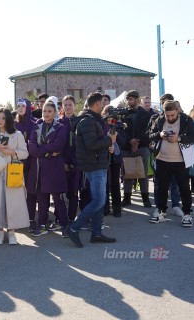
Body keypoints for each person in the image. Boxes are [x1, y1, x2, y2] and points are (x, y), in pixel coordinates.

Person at [67, 92, 117, 248]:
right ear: (96, 104)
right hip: (94, 166)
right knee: (98, 201)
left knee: (99, 201)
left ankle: (96, 233)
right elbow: (91, 145)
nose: (103, 106)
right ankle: (74, 228)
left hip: (97, 164)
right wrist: (109, 140)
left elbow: (95, 143)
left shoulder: (90, 120)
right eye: (102, 103)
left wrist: (107, 144)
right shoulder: (88, 121)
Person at [148, 101, 194, 227]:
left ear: (178, 111)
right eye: (167, 115)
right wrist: (159, 135)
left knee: (184, 189)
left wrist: (179, 138)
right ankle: (161, 212)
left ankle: (187, 214)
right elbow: (150, 135)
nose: (170, 118)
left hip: (181, 162)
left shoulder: (186, 120)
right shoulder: (159, 120)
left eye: (173, 115)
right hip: (162, 160)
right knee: (161, 188)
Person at [0, 108, 29, 245]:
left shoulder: (17, 134)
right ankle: (0, 232)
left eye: (3, 118)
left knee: (12, 202)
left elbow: (25, 153)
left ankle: (12, 231)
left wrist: (12, 152)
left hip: (12, 171)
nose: (0, 120)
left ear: (8, 119)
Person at [27, 100, 68, 236]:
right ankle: (42, 225)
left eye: (50, 111)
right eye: (44, 111)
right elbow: (31, 147)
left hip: (54, 168)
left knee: (58, 198)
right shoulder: (37, 126)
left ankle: (64, 226)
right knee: (42, 198)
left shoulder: (60, 127)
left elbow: (57, 146)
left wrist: (42, 150)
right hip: (39, 167)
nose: (46, 114)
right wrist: (48, 152)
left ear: (55, 112)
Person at [60, 95, 92, 225]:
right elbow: (58, 145)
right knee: (61, 193)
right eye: (65, 105)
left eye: (70, 105)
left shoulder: (79, 122)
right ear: (62, 106)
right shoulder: (58, 123)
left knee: (74, 192)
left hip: (76, 163)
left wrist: (73, 163)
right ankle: (60, 218)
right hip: (61, 164)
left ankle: (71, 218)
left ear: (74, 106)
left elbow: (80, 145)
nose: (68, 107)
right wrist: (62, 162)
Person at [120, 90, 152, 208]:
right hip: (127, 147)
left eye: (131, 99)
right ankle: (127, 198)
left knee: (142, 174)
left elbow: (148, 131)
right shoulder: (124, 114)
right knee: (127, 173)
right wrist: (130, 141)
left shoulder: (146, 114)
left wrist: (137, 142)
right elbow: (121, 131)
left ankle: (145, 199)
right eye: (128, 99)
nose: (129, 102)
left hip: (142, 146)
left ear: (137, 100)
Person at [13, 99, 37, 232]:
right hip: (15, 163)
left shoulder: (34, 124)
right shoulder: (13, 124)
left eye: (23, 106)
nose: (21, 108)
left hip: (31, 162)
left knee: (30, 191)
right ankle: (16, 219)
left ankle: (30, 218)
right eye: (18, 106)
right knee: (15, 190)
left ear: (28, 108)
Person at [101, 105, 126, 217]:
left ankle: (117, 209)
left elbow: (123, 142)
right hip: (104, 157)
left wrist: (116, 135)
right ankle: (105, 208)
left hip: (116, 157)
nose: (110, 116)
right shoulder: (101, 124)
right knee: (104, 183)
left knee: (115, 183)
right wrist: (107, 137)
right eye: (107, 113)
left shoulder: (119, 125)